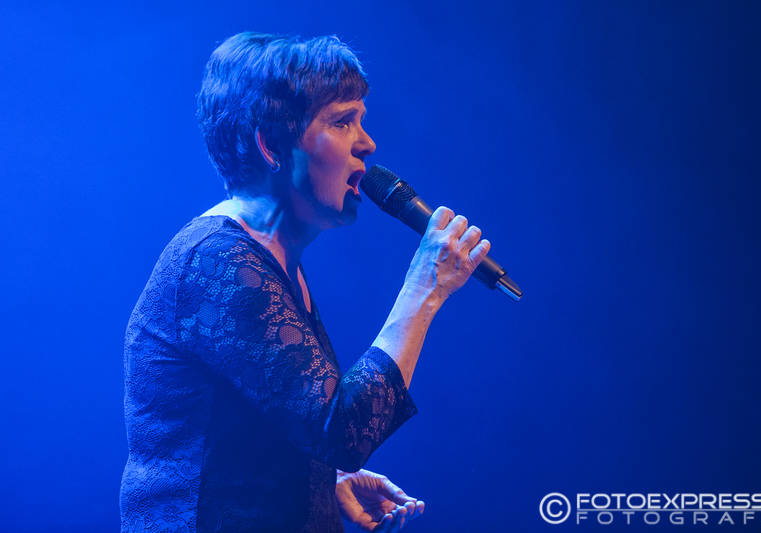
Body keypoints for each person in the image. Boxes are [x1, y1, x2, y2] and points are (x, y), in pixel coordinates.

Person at [120, 32, 491, 532]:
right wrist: (425, 288)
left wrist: (318, 479)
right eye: (342, 122)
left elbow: (266, 421)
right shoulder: (220, 262)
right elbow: (343, 431)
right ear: (271, 145)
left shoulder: (269, 258)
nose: (367, 143)